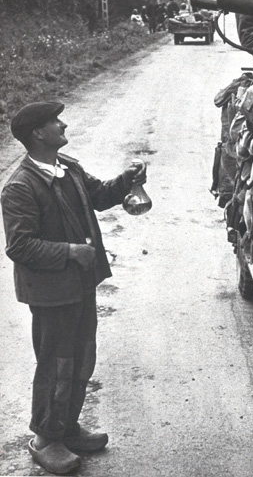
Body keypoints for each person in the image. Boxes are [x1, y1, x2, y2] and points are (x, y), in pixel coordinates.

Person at [1, 102, 147, 475]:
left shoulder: (68, 168)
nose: (63, 124)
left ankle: (66, 427)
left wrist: (126, 179)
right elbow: (20, 247)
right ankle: (45, 439)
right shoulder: (19, 187)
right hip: (51, 293)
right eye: (55, 121)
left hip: (80, 284)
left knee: (81, 358)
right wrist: (70, 252)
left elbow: (99, 196)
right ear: (38, 133)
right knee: (56, 364)